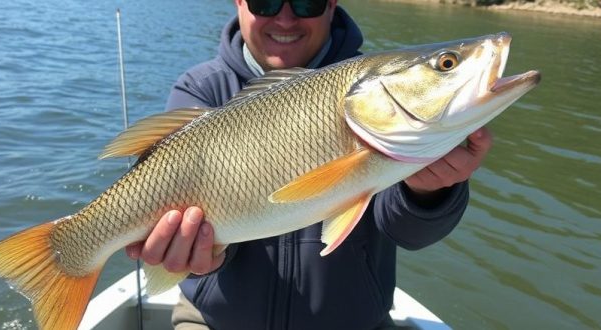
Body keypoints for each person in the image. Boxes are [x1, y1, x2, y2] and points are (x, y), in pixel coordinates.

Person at [125, 0, 492, 329]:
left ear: (332, 5)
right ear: (239, 2)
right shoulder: (201, 90)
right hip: (215, 321)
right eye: (265, 2)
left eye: (306, 2)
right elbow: (206, 231)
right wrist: (200, 253)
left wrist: (429, 191)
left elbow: (409, 234)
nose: (285, 18)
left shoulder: (375, 89)